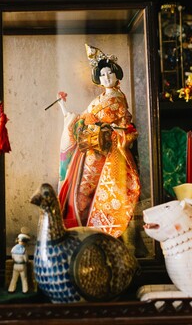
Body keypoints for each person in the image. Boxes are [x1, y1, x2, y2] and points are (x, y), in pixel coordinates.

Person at [57, 44, 141, 238]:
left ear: (117, 75)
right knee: (82, 187)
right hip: (91, 146)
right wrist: (63, 107)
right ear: (98, 79)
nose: (106, 77)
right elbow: (81, 118)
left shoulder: (118, 98)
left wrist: (114, 132)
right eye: (102, 75)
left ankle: (84, 228)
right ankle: (77, 226)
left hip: (104, 148)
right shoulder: (99, 99)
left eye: (110, 73)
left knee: (86, 188)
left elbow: (124, 124)